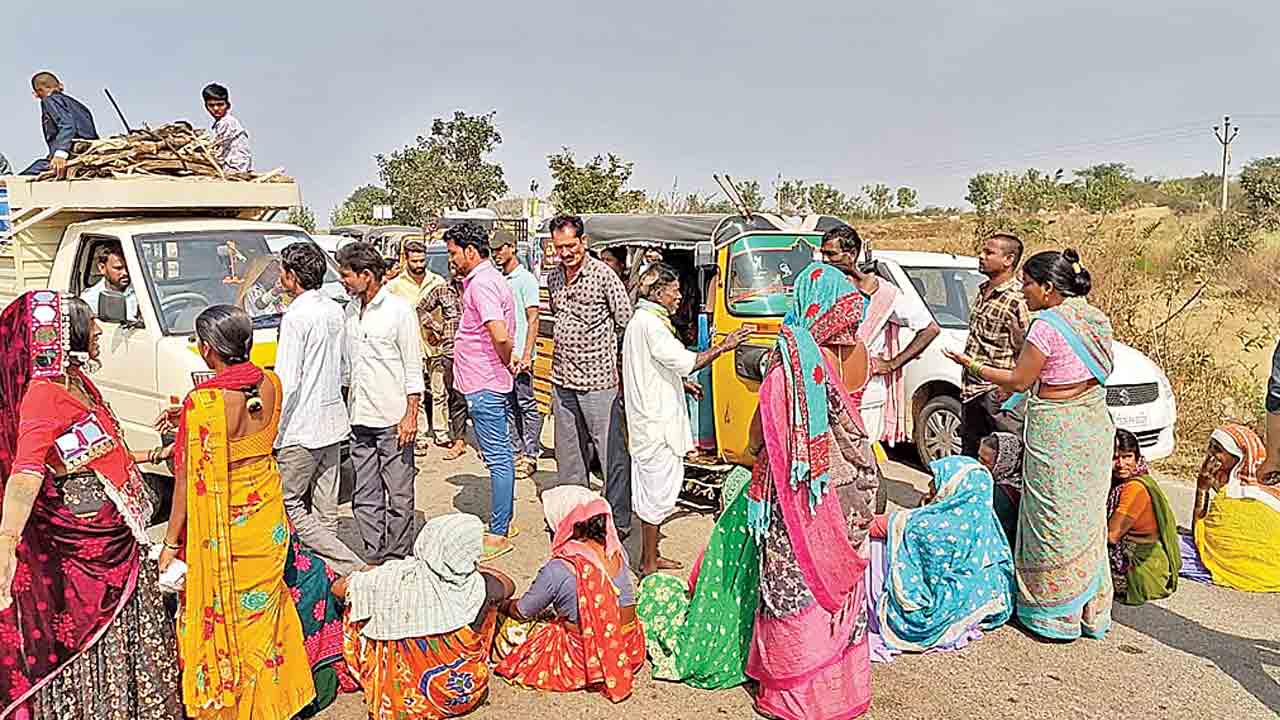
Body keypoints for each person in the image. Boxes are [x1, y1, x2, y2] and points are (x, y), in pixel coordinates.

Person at [0, 292, 181, 720]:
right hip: (88, 545)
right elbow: (27, 472)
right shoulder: (44, 396)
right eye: (90, 325)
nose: (98, 330)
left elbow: (99, 450)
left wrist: (155, 457)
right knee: (99, 632)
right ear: (64, 335)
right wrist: (7, 540)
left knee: (132, 627)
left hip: (119, 531)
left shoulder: (78, 381)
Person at [944, 248, 1115, 642]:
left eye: (1027, 284)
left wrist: (968, 364)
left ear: (1048, 288)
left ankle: (1052, 615)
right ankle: (1090, 612)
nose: (1023, 291)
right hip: (1092, 425)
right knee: (1086, 518)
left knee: (1049, 517)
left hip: (1057, 431)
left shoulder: (1046, 326)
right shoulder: (1096, 319)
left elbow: (1020, 380)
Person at [158, 305, 315, 718]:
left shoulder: (204, 401)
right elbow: (249, 425)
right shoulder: (272, 384)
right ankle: (277, 702)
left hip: (226, 529)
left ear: (208, 349)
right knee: (265, 610)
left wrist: (171, 543)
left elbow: (187, 482)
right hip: (267, 522)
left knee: (226, 616)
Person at [744, 262, 878, 720]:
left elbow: (759, 433)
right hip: (852, 487)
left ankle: (795, 691)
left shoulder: (791, 366)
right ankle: (839, 689)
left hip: (801, 495)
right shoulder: (857, 354)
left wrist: (758, 450)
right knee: (839, 585)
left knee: (797, 582)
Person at [623, 263, 750, 575]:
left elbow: (654, 366)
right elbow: (687, 361)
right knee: (654, 495)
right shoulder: (651, 325)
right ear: (659, 292)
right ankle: (648, 563)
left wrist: (681, 384)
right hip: (655, 425)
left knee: (655, 492)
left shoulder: (647, 321)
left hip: (651, 419)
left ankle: (651, 556)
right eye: (675, 290)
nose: (680, 296)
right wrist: (725, 346)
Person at [337, 513, 515, 720]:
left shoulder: (391, 577)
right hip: (461, 694)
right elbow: (509, 586)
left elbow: (339, 588)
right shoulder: (481, 586)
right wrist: (476, 568)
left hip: (403, 700)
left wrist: (376, 575)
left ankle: (392, 677)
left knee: (359, 602)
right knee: (493, 610)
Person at [493, 486, 645, 703]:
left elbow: (523, 610)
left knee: (510, 625)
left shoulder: (559, 568)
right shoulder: (615, 549)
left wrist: (503, 604)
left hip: (586, 658)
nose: (548, 526)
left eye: (550, 522)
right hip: (628, 648)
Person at [865, 456, 1014, 659]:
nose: (929, 490)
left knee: (876, 545)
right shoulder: (985, 524)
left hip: (930, 614)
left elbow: (871, 526)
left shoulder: (926, 526)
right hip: (973, 602)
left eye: (935, 484)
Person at [275, 242, 364, 575]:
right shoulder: (333, 309)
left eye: (283, 272)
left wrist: (273, 427)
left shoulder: (297, 315)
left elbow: (287, 380)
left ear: (292, 277)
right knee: (326, 510)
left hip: (301, 427)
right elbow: (344, 369)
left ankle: (349, 568)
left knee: (287, 504)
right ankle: (331, 581)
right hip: (332, 423)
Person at [546, 214, 635, 536]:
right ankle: (577, 520)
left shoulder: (604, 276)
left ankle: (619, 521)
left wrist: (626, 373)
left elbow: (626, 322)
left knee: (612, 456)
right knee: (569, 458)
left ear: (584, 242)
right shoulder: (553, 278)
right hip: (562, 379)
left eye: (571, 245)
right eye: (560, 247)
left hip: (599, 383)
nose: (566, 253)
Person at [636, 465, 760, 690]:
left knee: (654, 585)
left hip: (705, 628)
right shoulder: (764, 552)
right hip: (745, 640)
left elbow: (695, 588)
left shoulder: (720, 550)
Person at [338, 242, 423, 563]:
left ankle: (397, 556)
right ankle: (374, 555)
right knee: (365, 494)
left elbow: (413, 367)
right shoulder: (349, 311)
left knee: (399, 495)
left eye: (347, 275)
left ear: (366, 275)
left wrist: (411, 415)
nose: (344, 281)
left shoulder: (398, 311)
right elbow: (347, 370)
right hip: (359, 419)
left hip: (393, 419)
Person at [819, 225, 940, 445]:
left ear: (852, 254)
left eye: (831, 254)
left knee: (861, 452)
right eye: (822, 254)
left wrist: (893, 363)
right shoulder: (821, 287)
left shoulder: (883, 293)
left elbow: (930, 329)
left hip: (866, 389)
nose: (825, 260)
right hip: (825, 385)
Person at [445, 222, 518, 560]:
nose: (451, 259)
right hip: (484, 380)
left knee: (498, 458)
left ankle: (500, 532)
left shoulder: (483, 284)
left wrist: (506, 361)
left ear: (470, 251)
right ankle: (504, 520)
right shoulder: (485, 280)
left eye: (453, 253)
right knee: (499, 455)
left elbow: (499, 334)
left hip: (485, 382)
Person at [1178, 424, 1280, 592]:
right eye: (1210, 446)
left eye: (1218, 449)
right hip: (1274, 571)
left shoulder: (1232, 496)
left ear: (1238, 457)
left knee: (1162, 546)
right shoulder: (1272, 486)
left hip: (1247, 570)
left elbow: (1199, 533)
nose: (1210, 454)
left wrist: (1202, 488)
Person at [957, 233, 1029, 457]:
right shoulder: (983, 290)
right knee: (971, 456)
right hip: (972, 390)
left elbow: (1029, 349)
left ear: (1008, 260)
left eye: (989, 253)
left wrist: (1010, 386)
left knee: (1001, 460)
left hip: (998, 395)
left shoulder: (1019, 298)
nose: (981, 256)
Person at [386, 240, 447, 454]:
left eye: (422, 260)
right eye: (415, 261)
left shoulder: (437, 281)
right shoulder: (395, 286)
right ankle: (420, 434)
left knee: (439, 391)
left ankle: (441, 432)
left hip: (435, 344)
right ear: (406, 259)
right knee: (416, 392)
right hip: (410, 346)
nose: (419, 264)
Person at [1107, 429, 1181, 606]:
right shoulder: (1124, 483)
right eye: (1114, 457)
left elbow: (1112, 536)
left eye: (1127, 457)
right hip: (1150, 565)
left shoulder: (1134, 489)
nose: (1121, 464)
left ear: (1137, 457)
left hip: (1140, 570)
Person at [493, 230, 542, 479]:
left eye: (501, 248)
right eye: (494, 250)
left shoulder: (525, 280)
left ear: (512, 247)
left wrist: (526, 354)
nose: (497, 254)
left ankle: (530, 453)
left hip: (521, 355)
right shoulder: (502, 279)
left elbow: (533, 319)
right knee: (509, 405)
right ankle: (515, 450)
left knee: (526, 404)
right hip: (505, 354)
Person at [418, 269, 469, 460]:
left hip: (476, 353)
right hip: (450, 351)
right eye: (452, 266)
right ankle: (459, 441)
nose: (456, 270)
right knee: (456, 398)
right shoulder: (442, 290)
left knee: (479, 399)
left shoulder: (477, 287)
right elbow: (421, 309)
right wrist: (436, 327)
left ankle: (485, 444)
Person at [22, 72, 98, 177]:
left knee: (18, 179)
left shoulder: (49, 100)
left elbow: (67, 125)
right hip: (89, 154)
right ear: (61, 85)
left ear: (37, 92)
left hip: (72, 155)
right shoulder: (80, 106)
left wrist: (60, 154)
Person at [978, 431, 1023, 549]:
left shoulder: (1000, 496)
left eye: (986, 462)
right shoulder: (1016, 484)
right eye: (979, 458)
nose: (980, 466)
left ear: (1003, 464)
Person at [80, 240, 138, 320]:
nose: (125, 273)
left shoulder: (143, 289)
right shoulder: (90, 299)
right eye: (118, 268)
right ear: (102, 268)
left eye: (128, 267)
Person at [201, 83, 252, 173]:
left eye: (220, 104)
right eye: (211, 105)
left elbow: (218, 150)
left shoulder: (227, 122)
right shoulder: (221, 122)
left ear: (228, 105)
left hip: (235, 166)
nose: (216, 108)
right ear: (206, 106)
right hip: (234, 164)